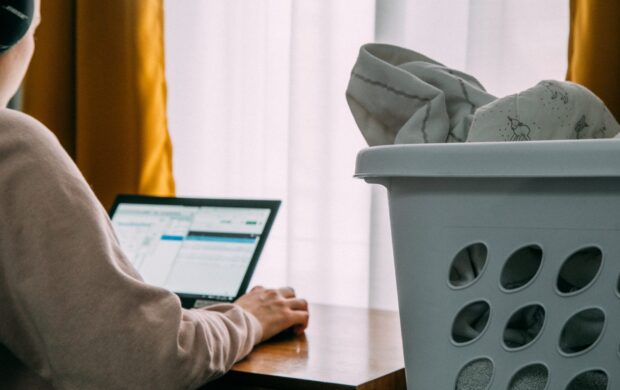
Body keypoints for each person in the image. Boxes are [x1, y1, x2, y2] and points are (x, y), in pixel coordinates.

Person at [0, 1, 309, 388]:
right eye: (36, 30)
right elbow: (142, 360)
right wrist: (249, 317)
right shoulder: (13, 144)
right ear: (11, 27)